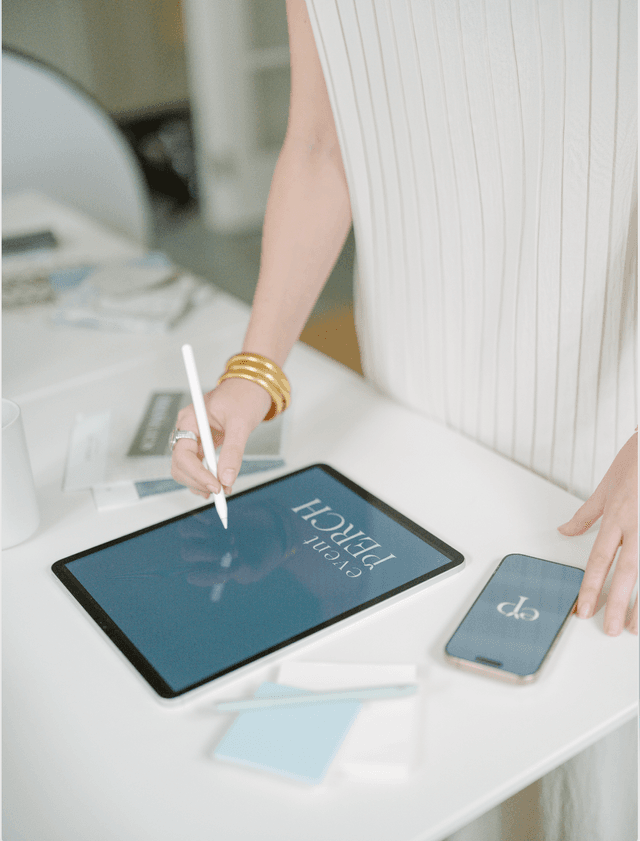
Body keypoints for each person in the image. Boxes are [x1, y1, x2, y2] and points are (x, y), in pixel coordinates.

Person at [172, 1, 637, 838]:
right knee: (426, 775)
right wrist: (253, 369)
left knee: (594, 789)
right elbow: (322, 142)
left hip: (609, 445)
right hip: (410, 415)